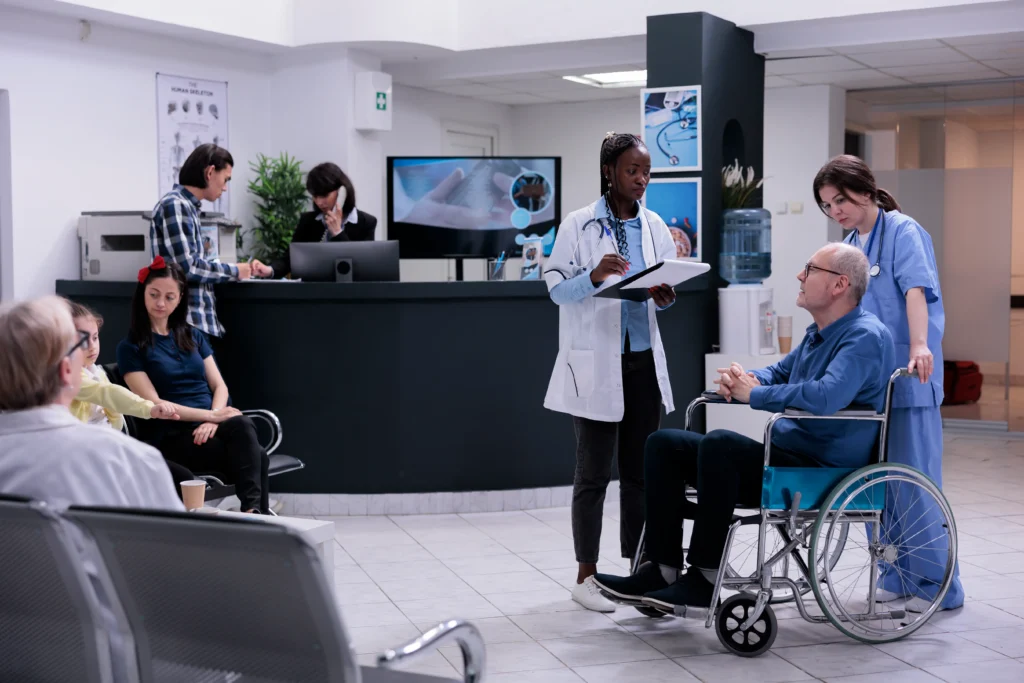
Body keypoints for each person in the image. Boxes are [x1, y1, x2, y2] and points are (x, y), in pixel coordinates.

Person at [593, 244, 897, 611]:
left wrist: (754, 394)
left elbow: (826, 396)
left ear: (839, 285)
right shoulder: (819, 332)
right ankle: (662, 569)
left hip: (821, 471)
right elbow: (781, 372)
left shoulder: (864, 336)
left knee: (720, 444)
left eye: (810, 269)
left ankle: (703, 580)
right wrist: (748, 378)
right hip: (787, 459)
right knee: (663, 444)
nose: (800, 276)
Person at [814, 154, 964, 611]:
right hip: (869, 386)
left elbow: (916, 290)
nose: (835, 209)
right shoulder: (850, 244)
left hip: (908, 379)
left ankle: (937, 587)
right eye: (826, 204)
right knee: (877, 488)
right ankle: (897, 574)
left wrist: (921, 345)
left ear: (865, 189)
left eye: (841, 198)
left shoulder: (903, 231)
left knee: (914, 484)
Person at [542, 132, 678, 612]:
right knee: (594, 473)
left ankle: (639, 574)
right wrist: (594, 276)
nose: (640, 180)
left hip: (641, 361)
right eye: (631, 171)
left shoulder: (655, 224)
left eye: (646, 172)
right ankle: (586, 576)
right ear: (609, 171)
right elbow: (557, 290)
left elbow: (664, 275)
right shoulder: (578, 226)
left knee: (641, 475)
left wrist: (665, 292)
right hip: (596, 362)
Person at [116, 257, 270, 515]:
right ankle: (257, 519)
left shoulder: (193, 335)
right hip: (173, 435)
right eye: (154, 295)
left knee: (242, 425)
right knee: (258, 454)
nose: (160, 303)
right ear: (142, 293)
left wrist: (214, 420)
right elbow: (156, 404)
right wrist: (211, 416)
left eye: (169, 297)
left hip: (210, 427)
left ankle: (252, 513)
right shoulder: (131, 347)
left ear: (180, 299)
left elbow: (219, 386)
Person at [0, 296, 183, 511]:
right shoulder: (130, 461)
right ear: (66, 370)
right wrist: (149, 408)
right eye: (79, 344)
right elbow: (173, 540)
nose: (90, 348)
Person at [150, 143, 272, 340]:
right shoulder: (176, 205)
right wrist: (235, 271)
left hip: (192, 323)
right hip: (184, 322)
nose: (224, 187)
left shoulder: (188, 207)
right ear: (210, 172)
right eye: (225, 179)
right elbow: (187, 268)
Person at [66, 300, 181, 431]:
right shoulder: (68, 377)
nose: (92, 347)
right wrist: (149, 408)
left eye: (95, 337)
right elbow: (105, 393)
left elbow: (112, 415)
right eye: (82, 341)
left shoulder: (97, 372)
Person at [267, 162, 379, 279]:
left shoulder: (366, 222)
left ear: (342, 192)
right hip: (312, 291)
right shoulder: (308, 221)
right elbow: (291, 258)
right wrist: (269, 270)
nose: (319, 202)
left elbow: (361, 267)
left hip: (350, 292)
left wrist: (338, 232)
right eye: (315, 196)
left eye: (324, 196)